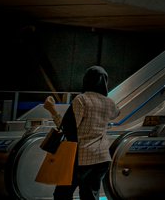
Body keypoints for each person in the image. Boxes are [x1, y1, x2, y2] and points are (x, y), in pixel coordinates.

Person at [43, 65, 119, 200]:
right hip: (102, 158)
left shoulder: (81, 99)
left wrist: (51, 109)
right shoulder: (110, 103)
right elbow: (116, 113)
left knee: (62, 194)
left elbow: (67, 127)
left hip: (81, 157)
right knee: (90, 195)